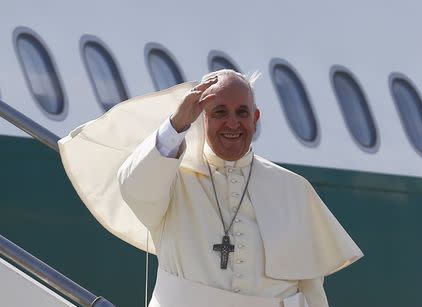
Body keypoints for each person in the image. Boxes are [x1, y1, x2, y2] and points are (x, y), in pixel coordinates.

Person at [58, 69, 363, 307]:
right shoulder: (172, 177)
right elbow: (135, 187)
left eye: (242, 113)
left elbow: (310, 289)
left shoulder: (293, 190)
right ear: (200, 118)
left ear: (255, 119)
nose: (232, 123)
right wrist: (176, 124)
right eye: (219, 113)